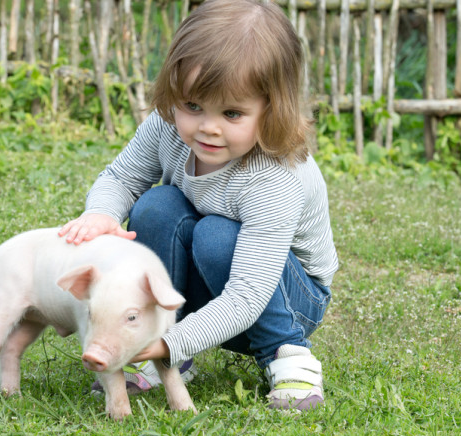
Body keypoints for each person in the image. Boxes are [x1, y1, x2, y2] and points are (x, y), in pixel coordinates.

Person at [59, 0, 338, 411]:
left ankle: (288, 354)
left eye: (232, 112)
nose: (208, 127)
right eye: (193, 105)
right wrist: (101, 213)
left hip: (284, 297)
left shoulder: (275, 177)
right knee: (156, 205)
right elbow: (121, 178)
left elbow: (247, 292)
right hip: (212, 287)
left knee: (215, 234)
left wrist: (170, 343)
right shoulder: (169, 128)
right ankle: (164, 353)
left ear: (272, 108)